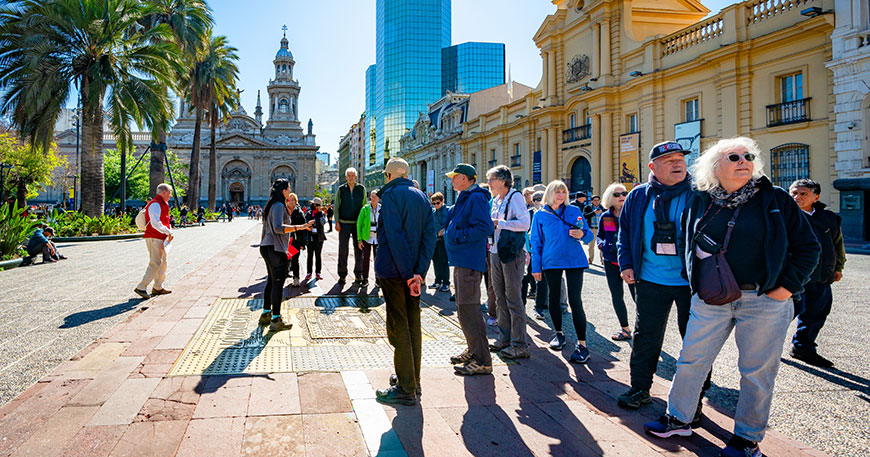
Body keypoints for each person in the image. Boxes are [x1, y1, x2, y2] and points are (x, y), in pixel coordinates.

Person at [643, 137, 820, 457]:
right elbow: (687, 237)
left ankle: (747, 439)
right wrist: (693, 281)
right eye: (734, 156)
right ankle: (679, 417)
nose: (743, 161)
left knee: (756, 372)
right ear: (715, 166)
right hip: (710, 298)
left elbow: (809, 247)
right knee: (691, 360)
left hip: (763, 299)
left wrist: (786, 289)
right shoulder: (700, 199)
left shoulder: (775, 198)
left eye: (748, 156)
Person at [616, 141, 709, 412]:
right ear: (652, 167)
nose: (677, 163)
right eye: (669, 160)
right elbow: (625, 232)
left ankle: (696, 397)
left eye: (680, 158)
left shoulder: (699, 195)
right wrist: (626, 263)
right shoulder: (639, 195)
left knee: (695, 340)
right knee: (646, 336)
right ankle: (640, 388)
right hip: (650, 279)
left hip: (691, 282)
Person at [374, 158, 436, 406]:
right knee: (413, 325)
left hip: (393, 272)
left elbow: (395, 237)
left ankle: (405, 388)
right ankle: (412, 378)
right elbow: (429, 236)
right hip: (414, 275)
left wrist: (408, 273)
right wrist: (419, 272)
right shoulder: (422, 196)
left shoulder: (389, 197)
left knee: (398, 327)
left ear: (389, 175)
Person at [530, 180, 594, 363]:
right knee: (554, 298)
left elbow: (588, 235)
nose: (561, 195)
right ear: (549, 194)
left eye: (563, 191)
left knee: (575, 300)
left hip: (574, 260)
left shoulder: (574, 211)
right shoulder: (540, 215)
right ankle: (558, 334)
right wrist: (536, 267)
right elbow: (536, 242)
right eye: (557, 191)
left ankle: (582, 344)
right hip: (551, 261)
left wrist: (582, 234)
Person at [444, 163, 495, 376]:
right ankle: (473, 350)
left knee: (469, 309)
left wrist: (457, 236)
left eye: (454, 177)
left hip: (469, 260)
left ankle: (482, 359)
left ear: (464, 178)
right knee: (463, 308)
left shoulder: (475, 198)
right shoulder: (466, 196)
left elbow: (485, 227)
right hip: (462, 259)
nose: (452, 180)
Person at [789, 179, 845, 368]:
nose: (797, 197)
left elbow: (838, 244)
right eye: (794, 193)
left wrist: (838, 267)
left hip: (821, 276)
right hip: (793, 277)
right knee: (782, 315)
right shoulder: (783, 216)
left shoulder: (829, 218)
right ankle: (762, 346)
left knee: (817, 314)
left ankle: (803, 347)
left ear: (816, 197)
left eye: (803, 193)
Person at [486, 166, 531, 360]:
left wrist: (500, 223)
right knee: (499, 296)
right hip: (495, 251)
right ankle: (504, 338)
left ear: (504, 181)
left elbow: (524, 224)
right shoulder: (496, 200)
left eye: (492, 180)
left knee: (513, 297)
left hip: (511, 253)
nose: (489, 183)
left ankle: (519, 344)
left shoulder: (516, 197)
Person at [257, 179, 312, 331]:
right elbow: (278, 228)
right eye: (288, 188)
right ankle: (276, 320)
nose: (290, 190)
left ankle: (266, 314)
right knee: (277, 283)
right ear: (283, 190)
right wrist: (299, 227)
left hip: (268, 247)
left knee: (271, 281)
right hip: (275, 248)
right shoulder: (279, 206)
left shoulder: (272, 205)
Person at [597, 183, 634, 341]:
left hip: (631, 262)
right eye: (617, 195)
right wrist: (601, 245)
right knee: (617, 296)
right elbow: (600, 235)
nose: (621, 197)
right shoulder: (605, 216)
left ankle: (644, 330)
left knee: (638, 296)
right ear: (609, 198)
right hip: (611, 261)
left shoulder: (633, 214)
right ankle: (625, 329)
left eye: (624, 193)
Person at [134, 183, 174, 299]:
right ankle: (141, 287)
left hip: (160, 237)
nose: (170, 195)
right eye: (170, 193)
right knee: (155, 262)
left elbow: (164, 220)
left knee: (162, 262)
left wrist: (168, 232)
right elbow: (155, 222)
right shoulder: (155, 204)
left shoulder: (162, 203)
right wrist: (168, 232)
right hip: (154, 237)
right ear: (164, 192)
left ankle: (158, 287)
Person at [334, 168, 367, 285]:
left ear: (356, 177)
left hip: (357, 224)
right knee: (343, 250)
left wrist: (363, 224)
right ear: (346, 177)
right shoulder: (341, 189)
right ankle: (342, 275)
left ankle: (358, 274)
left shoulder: (361, 189)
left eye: (353, 175)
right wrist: (336, 221)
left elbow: (364, 207)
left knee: (359, 250)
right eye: (349, 175)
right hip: (343, 223)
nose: (351, 177)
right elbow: (336, 205)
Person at [356, 190, 380, 287]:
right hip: (367, 238)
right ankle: (365, 278)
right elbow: (359, 224)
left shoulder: (382, 209)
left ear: (378, 198)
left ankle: (378, 279)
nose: (373, 198)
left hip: (378, 238)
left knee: (377, 259)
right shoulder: (365, 209)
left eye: (375, 197)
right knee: (365, 259)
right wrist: (359, 240)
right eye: (372, 196)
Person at [428, 192, 451, 292]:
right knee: (436, 261)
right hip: (434, 240)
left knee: (444, 261)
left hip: (443, 240)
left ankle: (446, 282)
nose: (436, 205)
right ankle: (437, 281)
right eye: (433, 203)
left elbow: (452, 224)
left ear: (442, 201)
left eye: (437, 203)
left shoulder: (448, 210)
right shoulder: (432, 212)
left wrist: (444, 230)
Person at [286, 194, 308, 287]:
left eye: (293, 200)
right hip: (284, 239)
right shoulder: (283, 211)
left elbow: (304, 229)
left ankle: (296, 278)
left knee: (295, 260)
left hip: (295, 240)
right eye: (289, 200)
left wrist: (303, 243)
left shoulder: (299, 213)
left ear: (296, 201)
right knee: (283, 259)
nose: (291, 202)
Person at [304, 198, 328, 281]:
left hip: (319, 237)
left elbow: (323, 222)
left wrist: (319, 215)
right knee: (309, 255)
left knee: (318, 255)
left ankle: (318, 272)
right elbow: (306, 222)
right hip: (310, 236)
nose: (314, 206)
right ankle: (309, 272)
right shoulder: (309, 213)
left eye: (315, 205)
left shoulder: (321, 214)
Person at [583, 195, 603, 264]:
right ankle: (590, 259)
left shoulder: (603, 208)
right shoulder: (588, 207)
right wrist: (593, 213)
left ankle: (602, 260)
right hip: (592, 228)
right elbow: (585, 215)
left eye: (598, 200)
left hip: (601, 229)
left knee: (602, 245)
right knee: (591, 245)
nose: (596, 202)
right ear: (591, 201)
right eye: (595, 200)